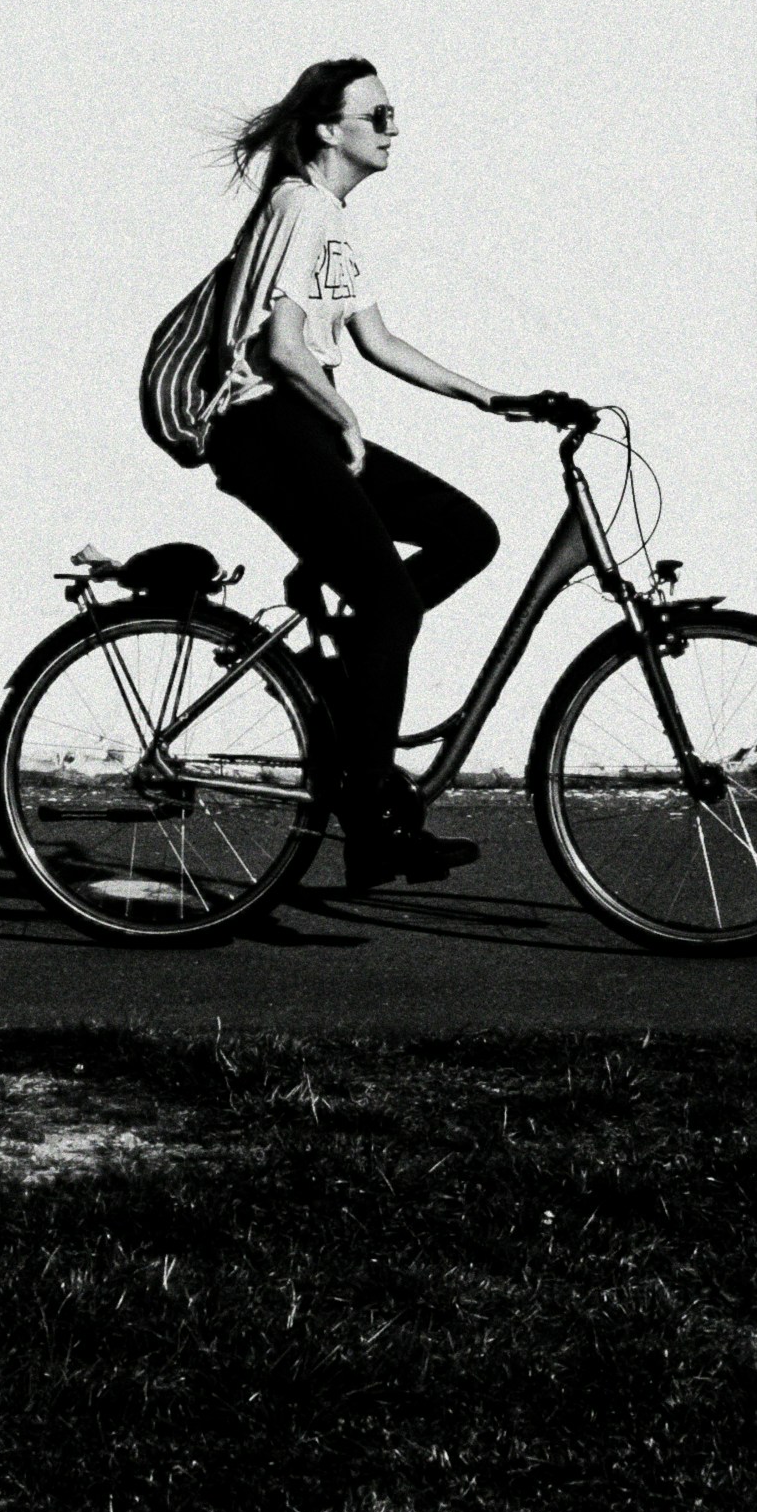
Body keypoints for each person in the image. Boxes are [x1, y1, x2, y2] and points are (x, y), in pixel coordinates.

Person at [203, 57, 520, 890]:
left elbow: (375, 342)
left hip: (304, 422)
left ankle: (342, 666)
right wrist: (344, 417)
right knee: (387, 599)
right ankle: (370, 818)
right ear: (325, 130)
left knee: (465, 533)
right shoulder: (300, 206)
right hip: (266, 426)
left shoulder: (332, 219)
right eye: (376, 116)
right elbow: (279, 347)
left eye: (393, 116)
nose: (391, 129)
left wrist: (494, 398)